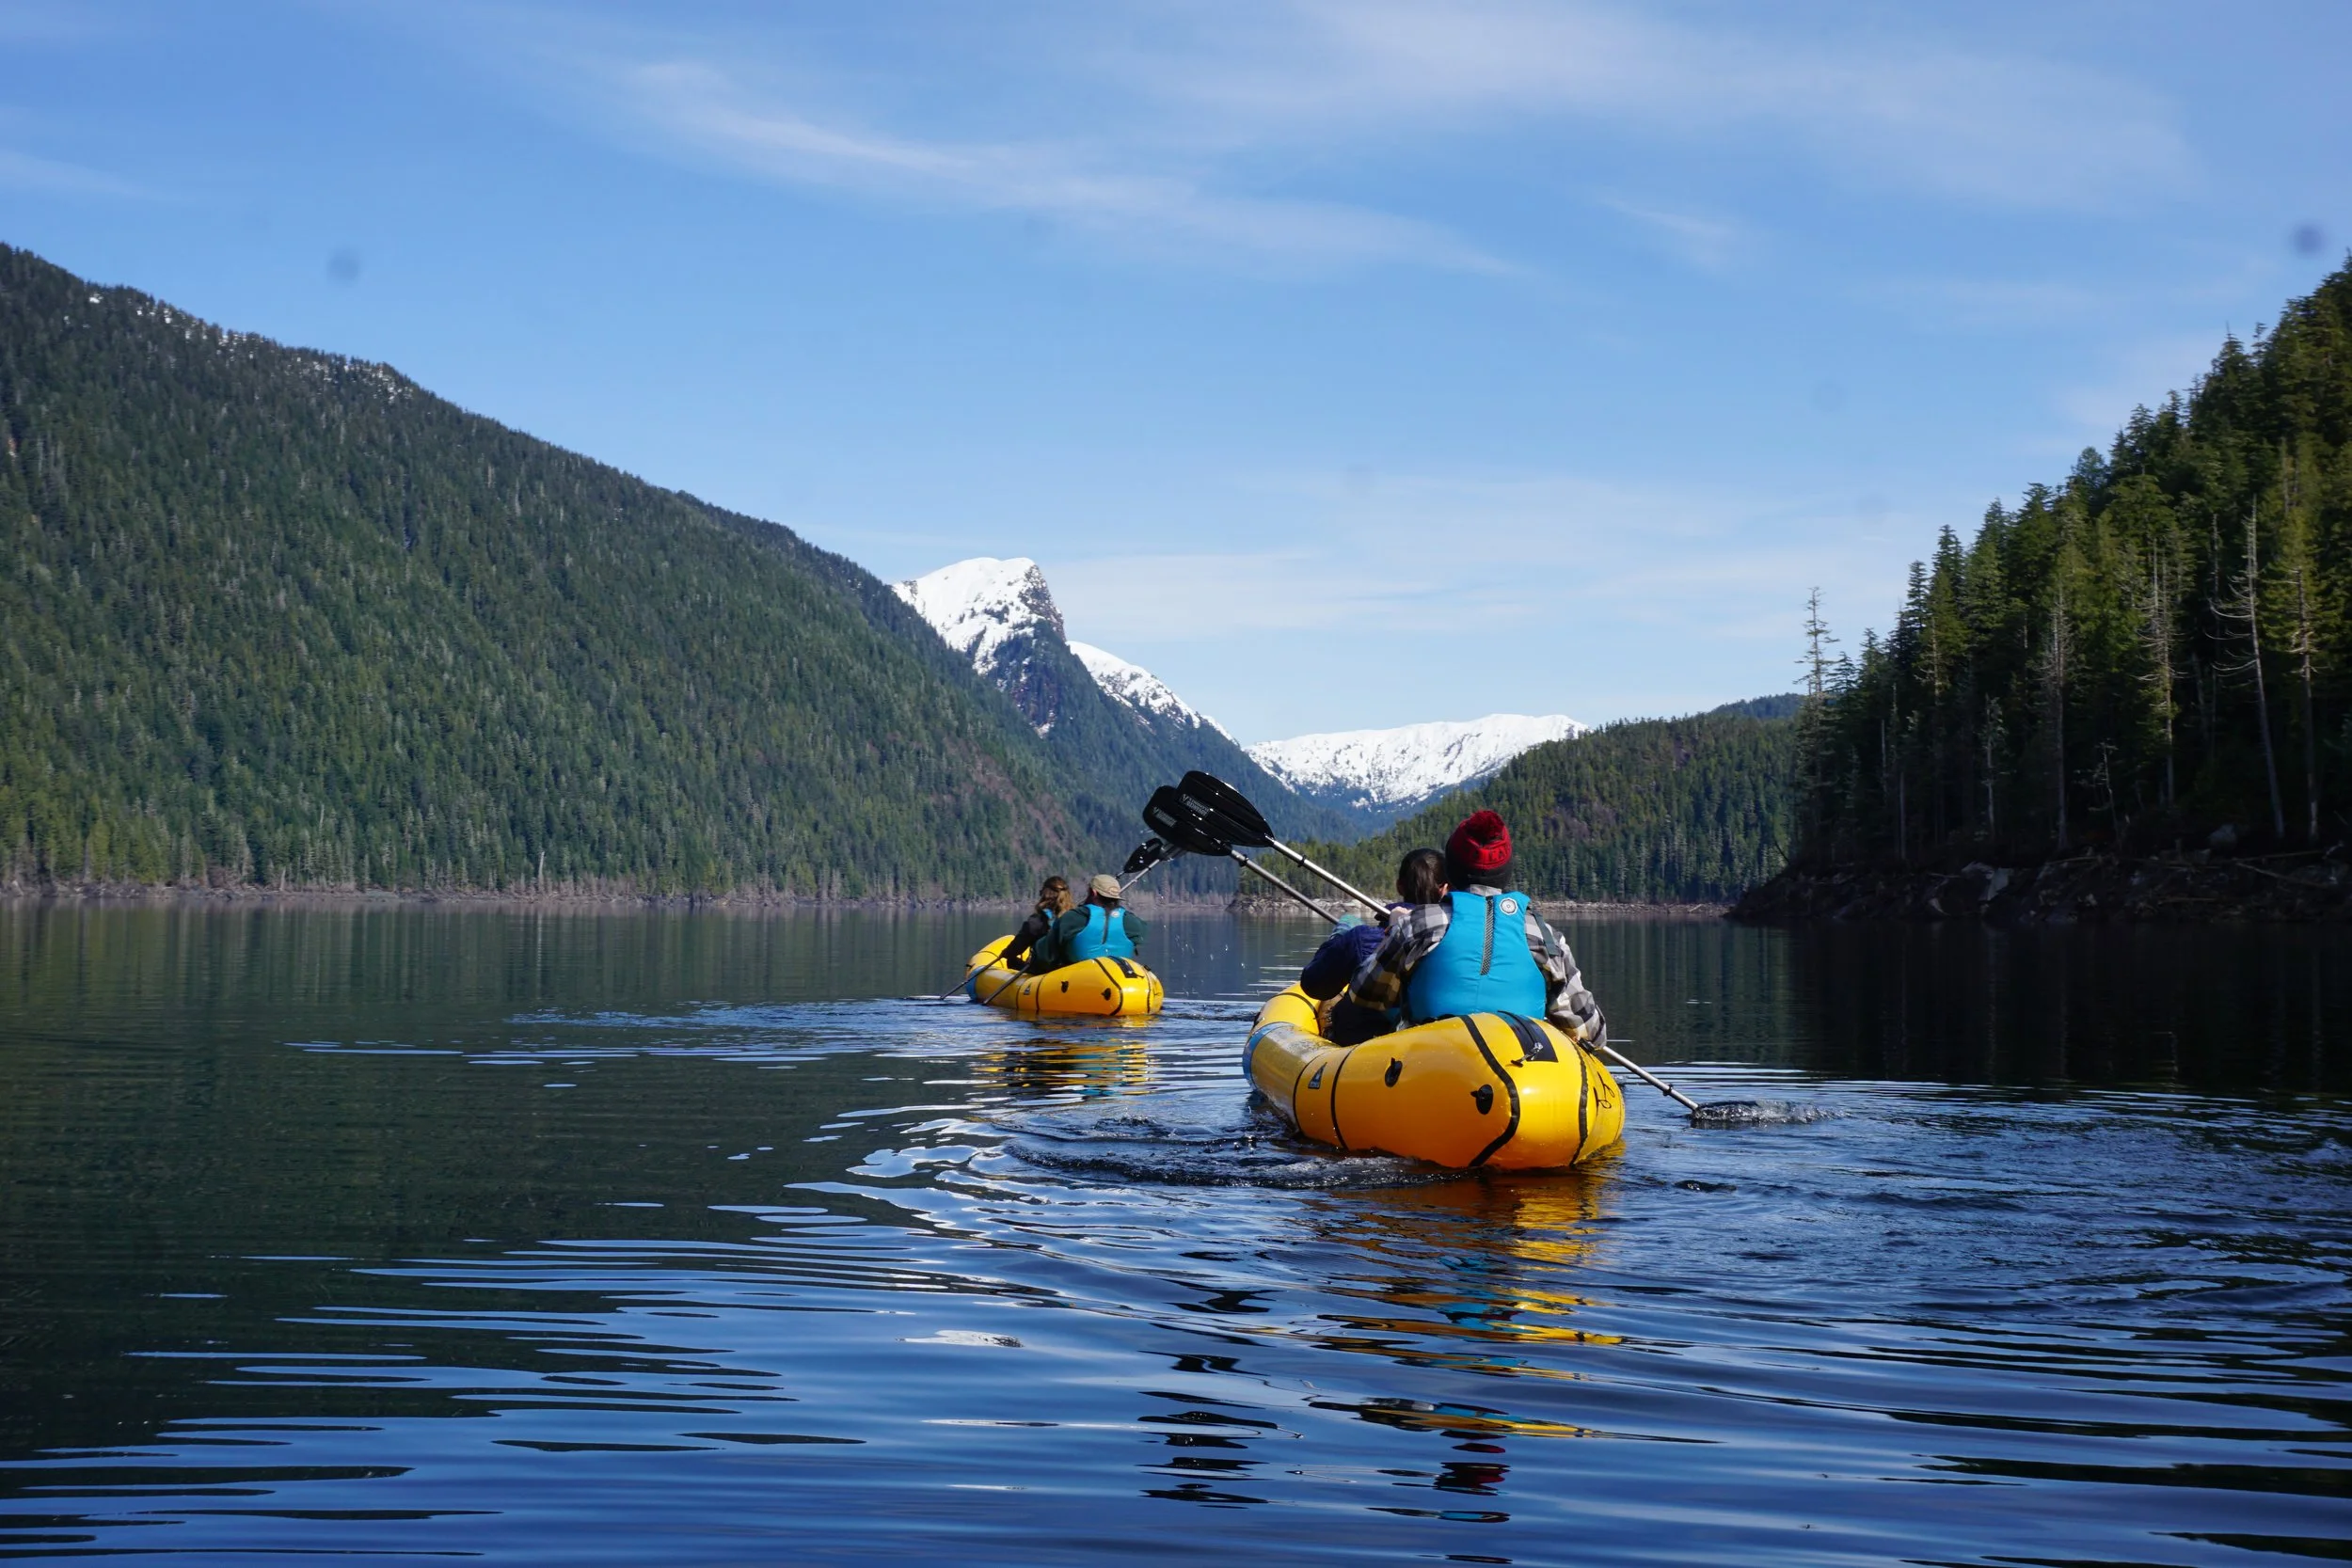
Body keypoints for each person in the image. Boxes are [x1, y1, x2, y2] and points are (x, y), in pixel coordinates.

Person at [1343, 810, 1605, 1045]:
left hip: (1429, 1065)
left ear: (1452, 870)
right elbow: (1591, 1032)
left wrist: (1393, 932)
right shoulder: (1543, 936)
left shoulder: (1417, 924)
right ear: (1506, 871)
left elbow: (1364, 993)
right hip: (1518, 1065)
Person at [1299, 847, 1447, 1046]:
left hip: (1364, 1047)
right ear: (1445, 889)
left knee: (1348, 922)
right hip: (1430, 1045)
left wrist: (1341, 939)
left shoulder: (1362, 939)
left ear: (1399, 886)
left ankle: (1340, 933)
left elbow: (1313, 984)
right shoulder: (1453, 940)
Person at [1053, 873, 1147, 963]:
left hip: (1079, 976)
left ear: (1093, 893)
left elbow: (1046, 954)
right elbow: (1142, 934)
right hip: (1120, 976)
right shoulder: (1133, 922)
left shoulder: (1071, 918)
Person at [1005, 877, 1073, 973]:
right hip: (1068, 971)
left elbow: (1015, 949)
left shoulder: (1037, 921)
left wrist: (1005, 953)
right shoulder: (1074, 918)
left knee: (1011, 961)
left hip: (1043, 972)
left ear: (1044, 895)